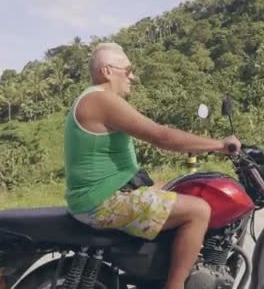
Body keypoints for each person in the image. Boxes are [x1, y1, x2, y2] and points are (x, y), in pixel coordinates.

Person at [64, 42, 241, 289]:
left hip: (109, 193)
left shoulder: (94, 99)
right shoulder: (101, 100)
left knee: (181, 188)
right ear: (106, 71)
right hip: (102, 202)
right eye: (127, 70)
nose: (132, 77)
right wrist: (219, 145)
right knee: (198, 210)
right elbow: (161, 136)